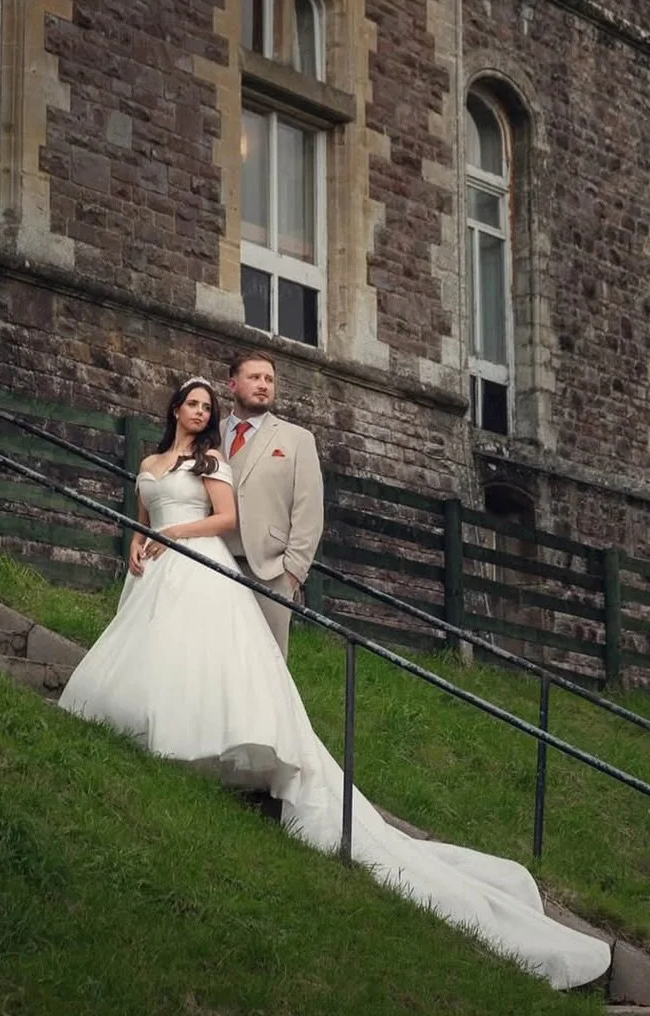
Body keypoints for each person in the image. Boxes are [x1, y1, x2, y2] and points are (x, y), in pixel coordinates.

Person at [58, 376, 611, 993]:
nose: (199, 411)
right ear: (173, 409)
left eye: (207, 406)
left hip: (196, 563)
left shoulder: (210, 460)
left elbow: (225, 518)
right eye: (192, 404)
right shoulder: (150, 462)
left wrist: (169, 537)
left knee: (208, 660)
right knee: (152, 652)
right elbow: (142, 513)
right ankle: (148, 732)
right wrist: (139, 541)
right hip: (153, 568)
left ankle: (212, 747)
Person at [218, 349, 324, 657]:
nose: (263, 384)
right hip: (213, 561)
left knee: (267, 664)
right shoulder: (212, 432)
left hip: (271, 570)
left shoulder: (297, 439)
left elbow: (310, 511)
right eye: (254, 377)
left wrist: (292, 573)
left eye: (269, 379)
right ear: (233, 385)